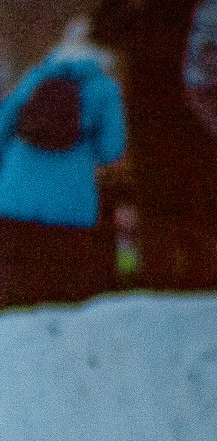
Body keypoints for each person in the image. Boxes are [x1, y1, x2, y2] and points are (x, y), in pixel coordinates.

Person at [0, 18, 127, 306]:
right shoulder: (104, 87)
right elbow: (113, 149)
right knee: (63, 300)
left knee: (17, 300)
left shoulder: (37, 76)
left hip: (16, 199)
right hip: (71, 205)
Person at [92, 0, 217, 289]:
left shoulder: (146, 13)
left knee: (165, 211)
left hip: (157, 125)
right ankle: (186, 280)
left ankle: (164, 282)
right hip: (182, 126)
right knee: (188, 209)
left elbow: (104, 30)